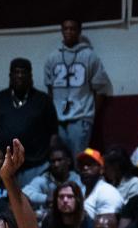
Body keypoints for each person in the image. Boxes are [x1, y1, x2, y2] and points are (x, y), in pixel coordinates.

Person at [0, 59, 58, 183]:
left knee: (29, 199)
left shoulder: (43, 100)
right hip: (2, 165)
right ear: (10, 75)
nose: (19, 76)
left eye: (23, 72)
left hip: (35, 165)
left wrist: (48, 158)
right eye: (16, 72)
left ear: (30, 76)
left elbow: (54, 133)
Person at [44, 19, 111, 154]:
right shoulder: (52, 57)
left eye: (72, 29)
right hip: (59, 119)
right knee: (61, 159)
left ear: (79, 31)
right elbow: (50, 89)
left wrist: (90, 114)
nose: (69, 32)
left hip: (81, 118)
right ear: (62, 31)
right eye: (66, 29)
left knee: (78, 158)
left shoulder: (90, 56)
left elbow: (101, 89)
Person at [76, 147, 124, 219]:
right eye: (81, 165)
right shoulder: (80, 191)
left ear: (101, 169)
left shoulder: (108, 192)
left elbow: (107, 227)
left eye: (89, 164)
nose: (85, 168)